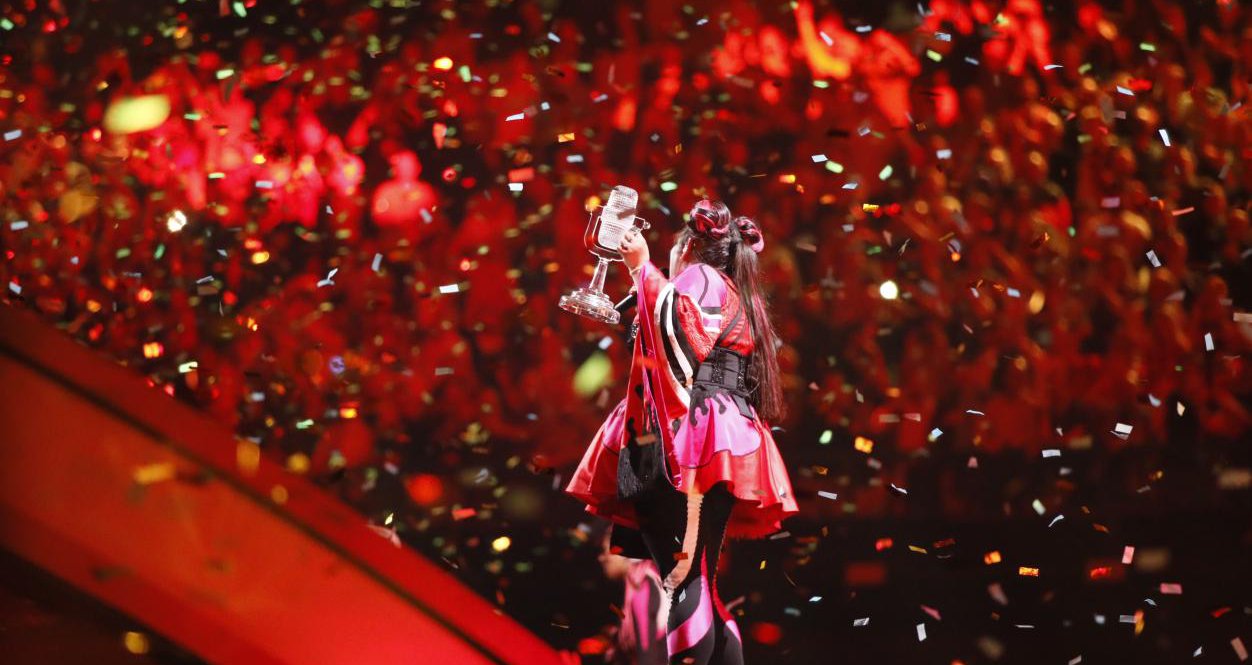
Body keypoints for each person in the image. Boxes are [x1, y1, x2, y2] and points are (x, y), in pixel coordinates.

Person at [566, 199, 799, 664]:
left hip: (688, 438)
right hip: (722, 432)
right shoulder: (733, 288)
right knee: (700, 584)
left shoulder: (700, 278)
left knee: (682, 578)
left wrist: (642, 268)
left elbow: (685, 340)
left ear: (688, 247)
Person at [599, 526, 668, 665]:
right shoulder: (640, 580)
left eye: (605, 552)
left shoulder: (642, 587)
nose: (601, 558)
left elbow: (648, 656)